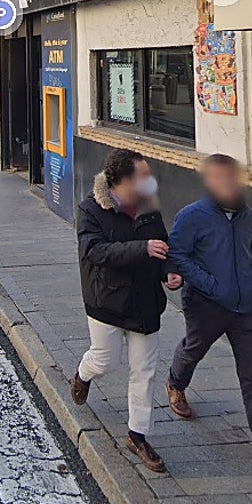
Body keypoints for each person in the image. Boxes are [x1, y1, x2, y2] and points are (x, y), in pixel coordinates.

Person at [164, 154, 252, 493]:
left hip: (244, 309)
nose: (227, 184)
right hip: (205, 306)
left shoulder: (249, 217)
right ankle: (175, 382)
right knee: (194, 348)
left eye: (231, 178)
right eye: (219, 178)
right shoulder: (193, 216)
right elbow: (177, 254)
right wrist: (209, 284)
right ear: (209, 183)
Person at [70, 149, 182, 473]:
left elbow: (163, 245)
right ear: (121, 182)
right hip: (107, 299)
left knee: (144, 370)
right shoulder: (90, 210)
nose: (149, 182)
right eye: (142, 177)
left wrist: (170, 272)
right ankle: (83, 374)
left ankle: (138, 435)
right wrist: (141, 249)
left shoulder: (148, 208)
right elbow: (94, 251)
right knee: (106, 359)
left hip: (145, 301)